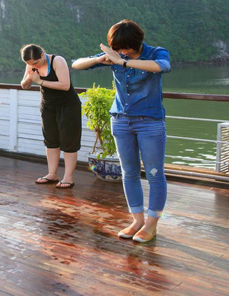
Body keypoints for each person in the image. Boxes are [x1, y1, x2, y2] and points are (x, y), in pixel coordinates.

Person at [72, 19, 171, 243]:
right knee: (129, 172)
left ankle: (151, 224)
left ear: (137, 42)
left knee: (155, 174)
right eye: (118, 49)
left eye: (125, 48)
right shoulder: (116, 55)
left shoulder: (156, 52)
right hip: (121, 121)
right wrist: (100, 59)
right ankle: (136, 220)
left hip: (150, 122)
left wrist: (124, 63)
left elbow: (162, 67)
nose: (122, 52)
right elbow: (77, 64)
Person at [20, 44, 82, 189]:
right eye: (29, 64)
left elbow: (65, 85)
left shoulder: (57, 61)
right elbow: (24, 85)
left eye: (35, 63)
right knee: (51, 141)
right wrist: (30, 78)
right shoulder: (31, 63)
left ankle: (68, 177)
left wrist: (40, 81)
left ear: (42, 55)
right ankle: (52, 174)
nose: (32, 65)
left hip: (67, 106)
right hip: (47, 106)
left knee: (69, 142)